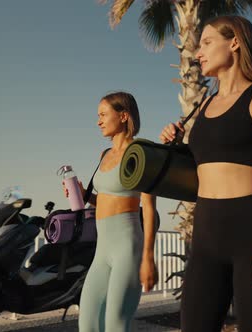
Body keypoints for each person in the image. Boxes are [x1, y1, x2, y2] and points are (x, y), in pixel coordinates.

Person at [159, 15, 252, 332]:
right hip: (205, 235)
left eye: (206, 42)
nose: (198, 53)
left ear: (234, 41)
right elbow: (205, 167)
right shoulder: (203, 104)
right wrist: (176, 145)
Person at [63, 91, 158, 332]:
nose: (99, 121)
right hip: (102, 250)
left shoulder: (141, 152)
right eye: (98, 115)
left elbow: (148, 208)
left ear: (124, 115)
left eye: (104, 114)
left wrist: (148, 257)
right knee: (89, 322)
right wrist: (85, 194)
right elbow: (110, 200)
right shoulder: (104, 155)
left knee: (115, 323)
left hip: (128, 246)